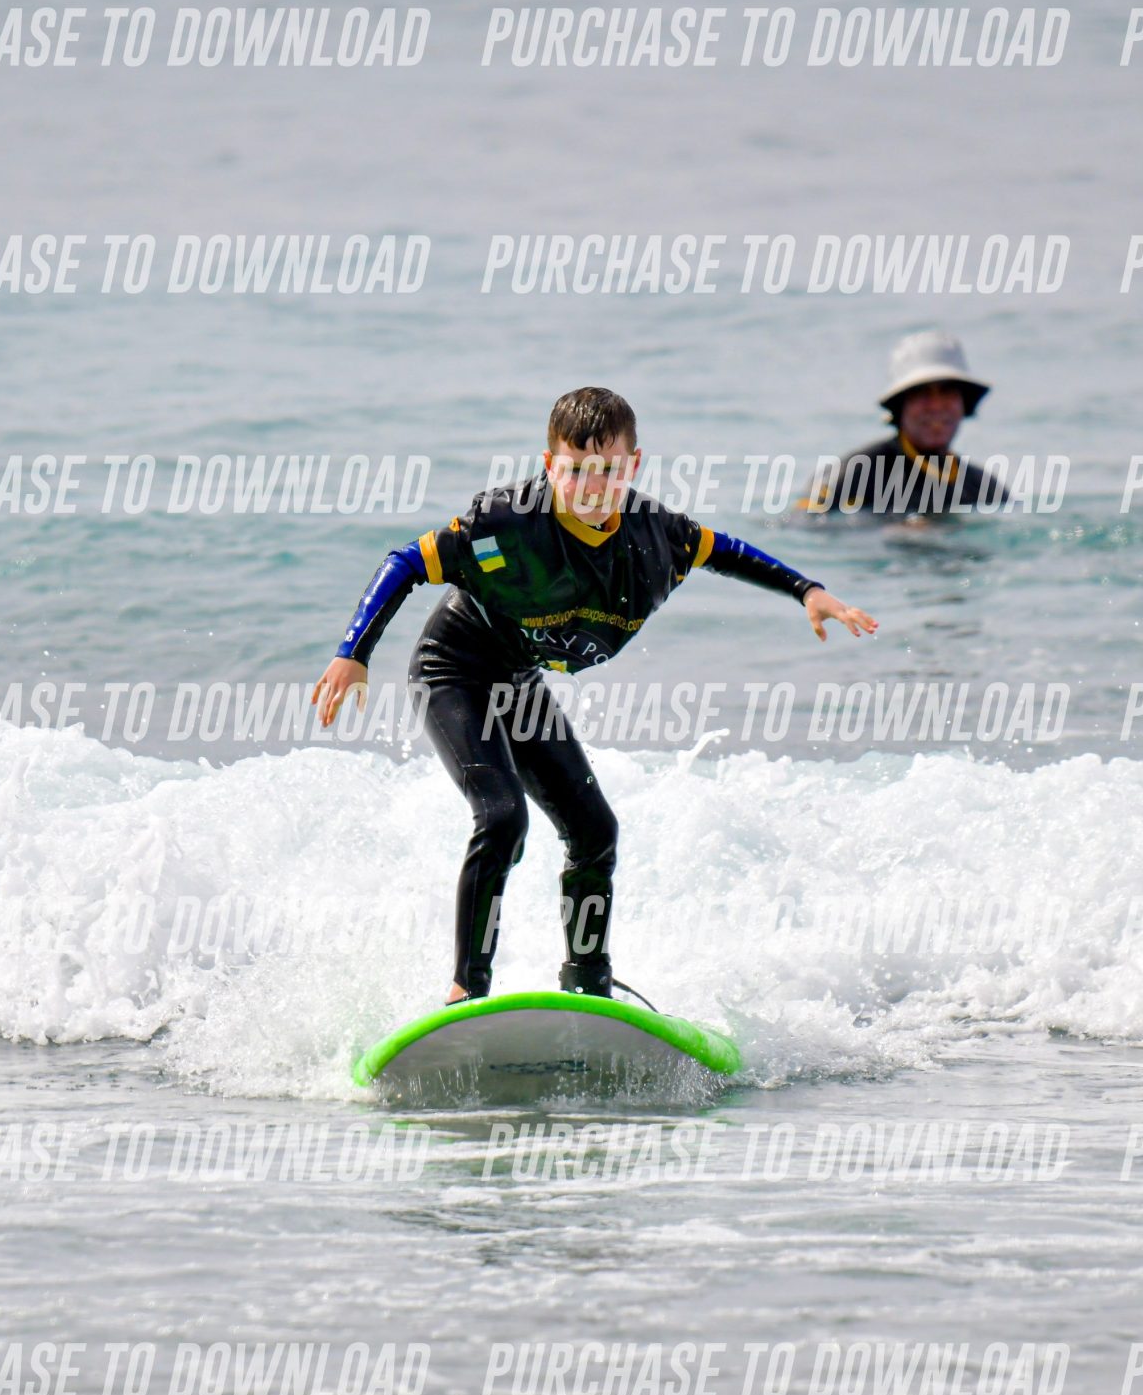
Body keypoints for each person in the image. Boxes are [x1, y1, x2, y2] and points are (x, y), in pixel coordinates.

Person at [313, 387, 878, 1005]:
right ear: (549, 464)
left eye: (609, 469)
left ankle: (588, 984)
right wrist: (353, 653)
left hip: (519, 679)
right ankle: (465, 991)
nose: (592, 486)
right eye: (576, 469)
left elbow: (727, 553)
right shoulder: (504, 524)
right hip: (453, 669)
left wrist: (806, 590)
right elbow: (404, 563)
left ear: (633, 466)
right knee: (502, 818)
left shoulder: (656, 533)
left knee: (595, 831)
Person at [803, 328, 1007, 516]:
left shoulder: (983, 488)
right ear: (899, 405)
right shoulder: (852, 475)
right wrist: (888, 529)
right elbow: (803, 525)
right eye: (921, 392)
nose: (936, 405)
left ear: (965, 403)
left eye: (948, 391)